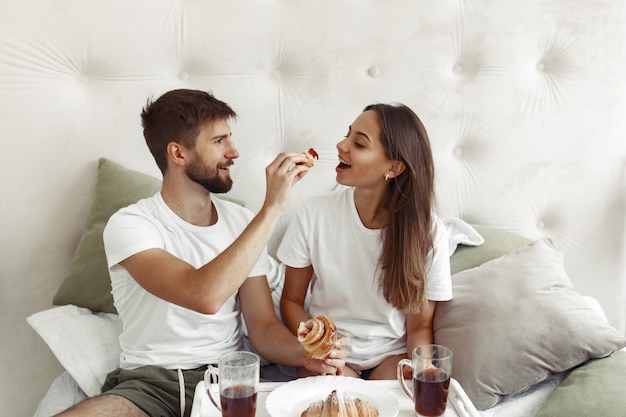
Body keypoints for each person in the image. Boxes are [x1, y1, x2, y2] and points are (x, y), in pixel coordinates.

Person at [55, 89, 345, 417]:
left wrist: (306, 355)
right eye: (219, 141)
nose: (234, 152)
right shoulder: (131, 224)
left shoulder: (241, 223)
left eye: (230, 139)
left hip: (231, 383)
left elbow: (262, 328)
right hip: (151, 385)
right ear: (178, 153)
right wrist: (273, 207)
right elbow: (203, 295)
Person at [278, 103, 452, 380]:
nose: (341, 145)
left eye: (358, 143)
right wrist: (318, 345)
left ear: (393, 168)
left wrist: (424, 368)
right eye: (347, 135)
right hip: (330, 356)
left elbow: (419, 327)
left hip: (392, 358)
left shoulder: (428, 231)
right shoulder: (315, 213)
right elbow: (291, 300)